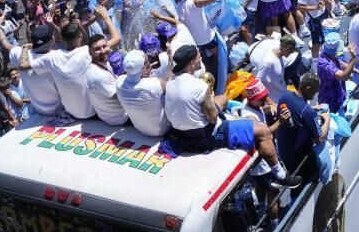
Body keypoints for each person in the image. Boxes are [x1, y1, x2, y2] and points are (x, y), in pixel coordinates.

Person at [164, 45, 302, 187]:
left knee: (223, 98)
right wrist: (210, 98)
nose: (201, 58)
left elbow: (172, 75)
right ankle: (281, 175)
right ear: (192, 63)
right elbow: (212, 117)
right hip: (204, 136)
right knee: (263, 131)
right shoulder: (199, 86)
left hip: (180, 134)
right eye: (199, 57)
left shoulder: (170, 81)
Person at [20, 7, 120, 120]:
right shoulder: (86, 52)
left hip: (71, 112)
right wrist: (106, 17)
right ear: (81, 37)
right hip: (92, 112)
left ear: (62, 38)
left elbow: (23, 66)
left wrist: (25, 47)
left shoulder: (52, 57)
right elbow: (117, 38)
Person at [116, 49, 169, 136]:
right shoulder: (155, 83)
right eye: (148, 63)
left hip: (140, 129)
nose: (150, 65)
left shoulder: (119, 81)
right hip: (163, 129)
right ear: (144, 68)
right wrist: (170, 59)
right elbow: (173, 86)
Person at [85, 33, 128, 126]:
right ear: (90, 52)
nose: (102, 51)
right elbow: (121, 95)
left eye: (104, 46)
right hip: (120, 117)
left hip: (112, 113)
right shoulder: (97, 75)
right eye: (97, 49)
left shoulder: (101, 62)